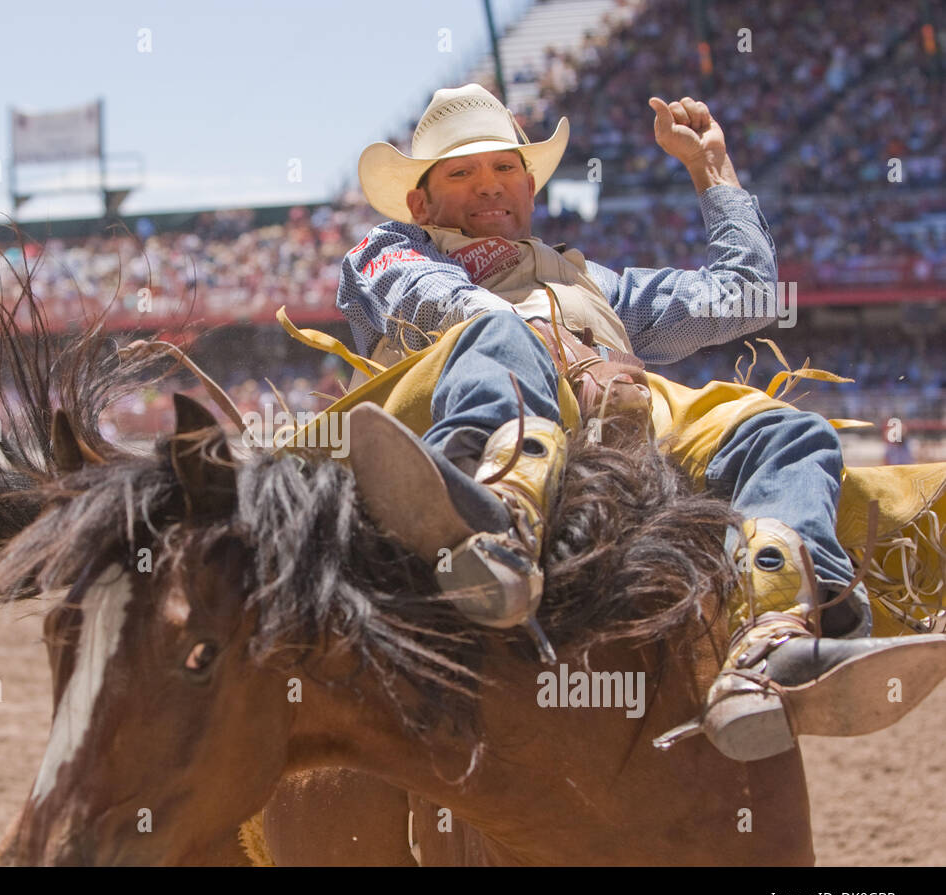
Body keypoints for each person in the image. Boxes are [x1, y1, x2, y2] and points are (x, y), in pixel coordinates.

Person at [334, 84, 946, 761]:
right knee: (496, 339)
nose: (490, 185)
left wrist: (711, 170)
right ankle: (492, 524)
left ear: (530, 184)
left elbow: (746, 295)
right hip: (475, 413)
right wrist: (555, 344)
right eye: (462, 172)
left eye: (505, 167)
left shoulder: (591, 280)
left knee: (784, 430)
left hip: (615, 425)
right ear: (421, 201)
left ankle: (778, 627)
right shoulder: (389, 252)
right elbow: (438, 303)